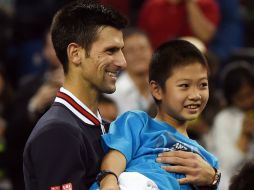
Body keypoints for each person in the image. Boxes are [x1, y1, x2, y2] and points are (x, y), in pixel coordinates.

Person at [22, 1, 128, 189]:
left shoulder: (103, 126)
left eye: (121, 50)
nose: (122, 62)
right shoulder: (57, 133)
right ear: (75, 54)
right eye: (110, 50)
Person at [91, 40, 221, 190]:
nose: (195, 95)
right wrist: (109, 182)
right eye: (184, 86)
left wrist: (212, 179)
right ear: (157, 90)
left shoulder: (207, 161)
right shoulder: (136, 122)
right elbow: (117, 155)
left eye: (203, 85)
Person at [208, 62, 254, 190]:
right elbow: (228, 164)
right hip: (233, 183)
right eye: (241, 98)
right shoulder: (224, 119)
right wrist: (244, 135)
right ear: (231, 98)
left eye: (250, 94)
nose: (248, 101)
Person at [107, 27, 154, 114]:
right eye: (131, 51)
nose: (138, 54)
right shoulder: (114, 93)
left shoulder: (161, 88)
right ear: (122, 57)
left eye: (142, 48)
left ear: (151, 51)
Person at [138, 0, 220, 48]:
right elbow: (141, 38)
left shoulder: (206, 4)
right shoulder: (152, 6)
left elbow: (205, 35)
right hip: (158, 60)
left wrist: (191, 4)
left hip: (193, 59)